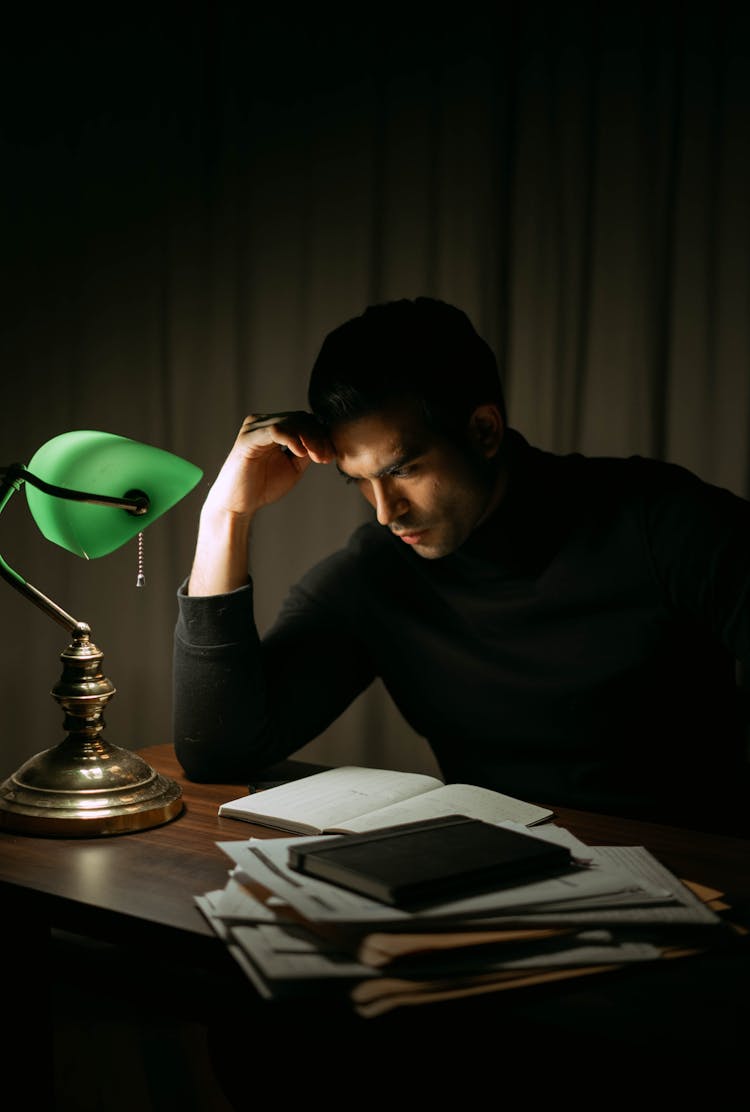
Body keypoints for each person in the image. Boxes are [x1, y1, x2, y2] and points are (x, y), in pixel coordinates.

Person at [174, 297, 750, 834]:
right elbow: (218, 751)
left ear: (484, 431)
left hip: (701, 879)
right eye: (359, 481)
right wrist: (226, 514)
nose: (385, 512)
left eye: (403, 470)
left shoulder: (664, 522)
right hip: (491, 879)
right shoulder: (378, 574)